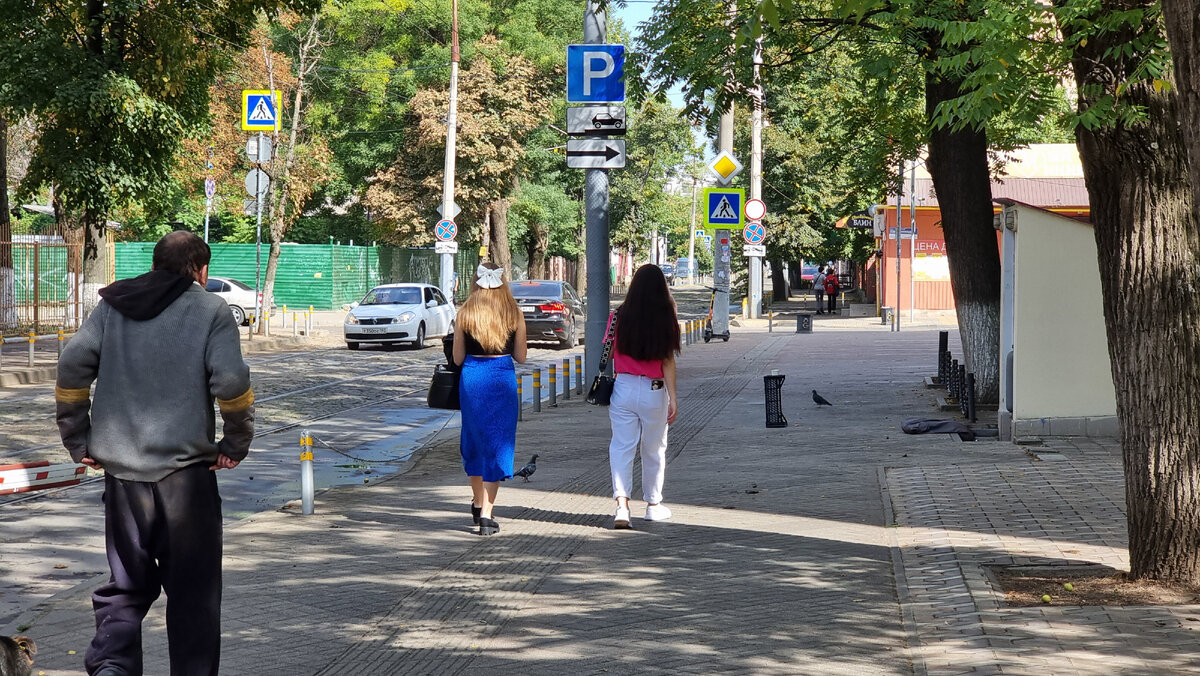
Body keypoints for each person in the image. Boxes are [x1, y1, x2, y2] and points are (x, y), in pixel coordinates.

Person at [55, 231, 254, 676]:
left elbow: (71, 366)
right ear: (200, 271)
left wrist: (77, 439)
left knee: (125, 586)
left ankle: (112, 668)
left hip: (123, 479)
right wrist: (234, 445)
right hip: (187, 481)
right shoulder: (210, 309)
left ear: (153, 265)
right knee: (194, 595)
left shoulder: (112, 306)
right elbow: (232, 385)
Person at [453, 262, 528, 536]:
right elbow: (521, 357)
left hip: (472, 377)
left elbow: (457, 358)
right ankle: (487, 514)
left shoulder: (465, 314)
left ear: (475, 282)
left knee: (474, 441)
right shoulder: (514, 313)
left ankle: (476, 501)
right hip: (501, 378)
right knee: (498, 442)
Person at [607, 264, 681, 528]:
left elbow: (609, 352)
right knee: (654, 448)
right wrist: (673, 398)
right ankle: (653, 505)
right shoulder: (665, 316)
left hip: (623, 387)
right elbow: (668, 361)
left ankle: (622, 507)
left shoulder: (618, 316)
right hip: (654, 390)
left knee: (621, 447)